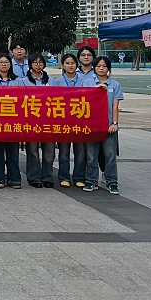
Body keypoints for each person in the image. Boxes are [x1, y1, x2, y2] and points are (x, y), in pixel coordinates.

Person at [50, 53, 93, 188]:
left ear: (77, 65)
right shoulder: (57, 82)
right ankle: (64, 177)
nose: (70, 66)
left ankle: (79, 177)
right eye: (67, 63)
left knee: (80, 151)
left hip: (80, 121)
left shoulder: (85, 81)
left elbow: (90, 98)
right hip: (63, 122)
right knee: (64, 151)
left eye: (72, 63)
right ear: (63, 65)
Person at [84, 56, 123, 195]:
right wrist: (96, 89)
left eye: (104, 66)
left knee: (110, 156)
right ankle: (91, 181)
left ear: (108, 68)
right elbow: (85, 100)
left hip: (109, 127)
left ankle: (112, 182)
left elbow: (115, 106)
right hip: (92, 126)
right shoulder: (87, 83)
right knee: (91, 156)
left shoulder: (115, 85)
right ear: (94, 68)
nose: (101, 68)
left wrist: (114, 123)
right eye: (98, 66)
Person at [19, 52, 55, 189]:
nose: (38, 65)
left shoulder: (51, 81)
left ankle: (48, 177)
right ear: (30, 65)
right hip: (31, 120)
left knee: (49, 151)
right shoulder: (23, 81)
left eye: (40, 62)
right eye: (35, 62)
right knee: (32, 150)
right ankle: (34, 177)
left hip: (48, 120)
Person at [0, 53, 21, 189]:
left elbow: (23, 99)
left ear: (10, 64)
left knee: (13, 152)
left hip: (13, 121)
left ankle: (14, 179)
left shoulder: (17, 81)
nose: (3, 64)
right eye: (1, 62)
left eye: (6, 62)